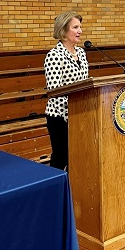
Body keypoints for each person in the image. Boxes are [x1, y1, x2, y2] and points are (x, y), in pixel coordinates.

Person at [44, 11, 89, 170]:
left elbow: (86, 84)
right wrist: (72, 114)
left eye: (80, 27)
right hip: (59, 117)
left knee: (78, 156)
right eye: (75, 27)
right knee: (61, 156)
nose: (80, 31)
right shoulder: (54, 55)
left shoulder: (82, 54)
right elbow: (55, 92)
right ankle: (56, 190)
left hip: (79, 115)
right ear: (63, 31)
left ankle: (74, 190)